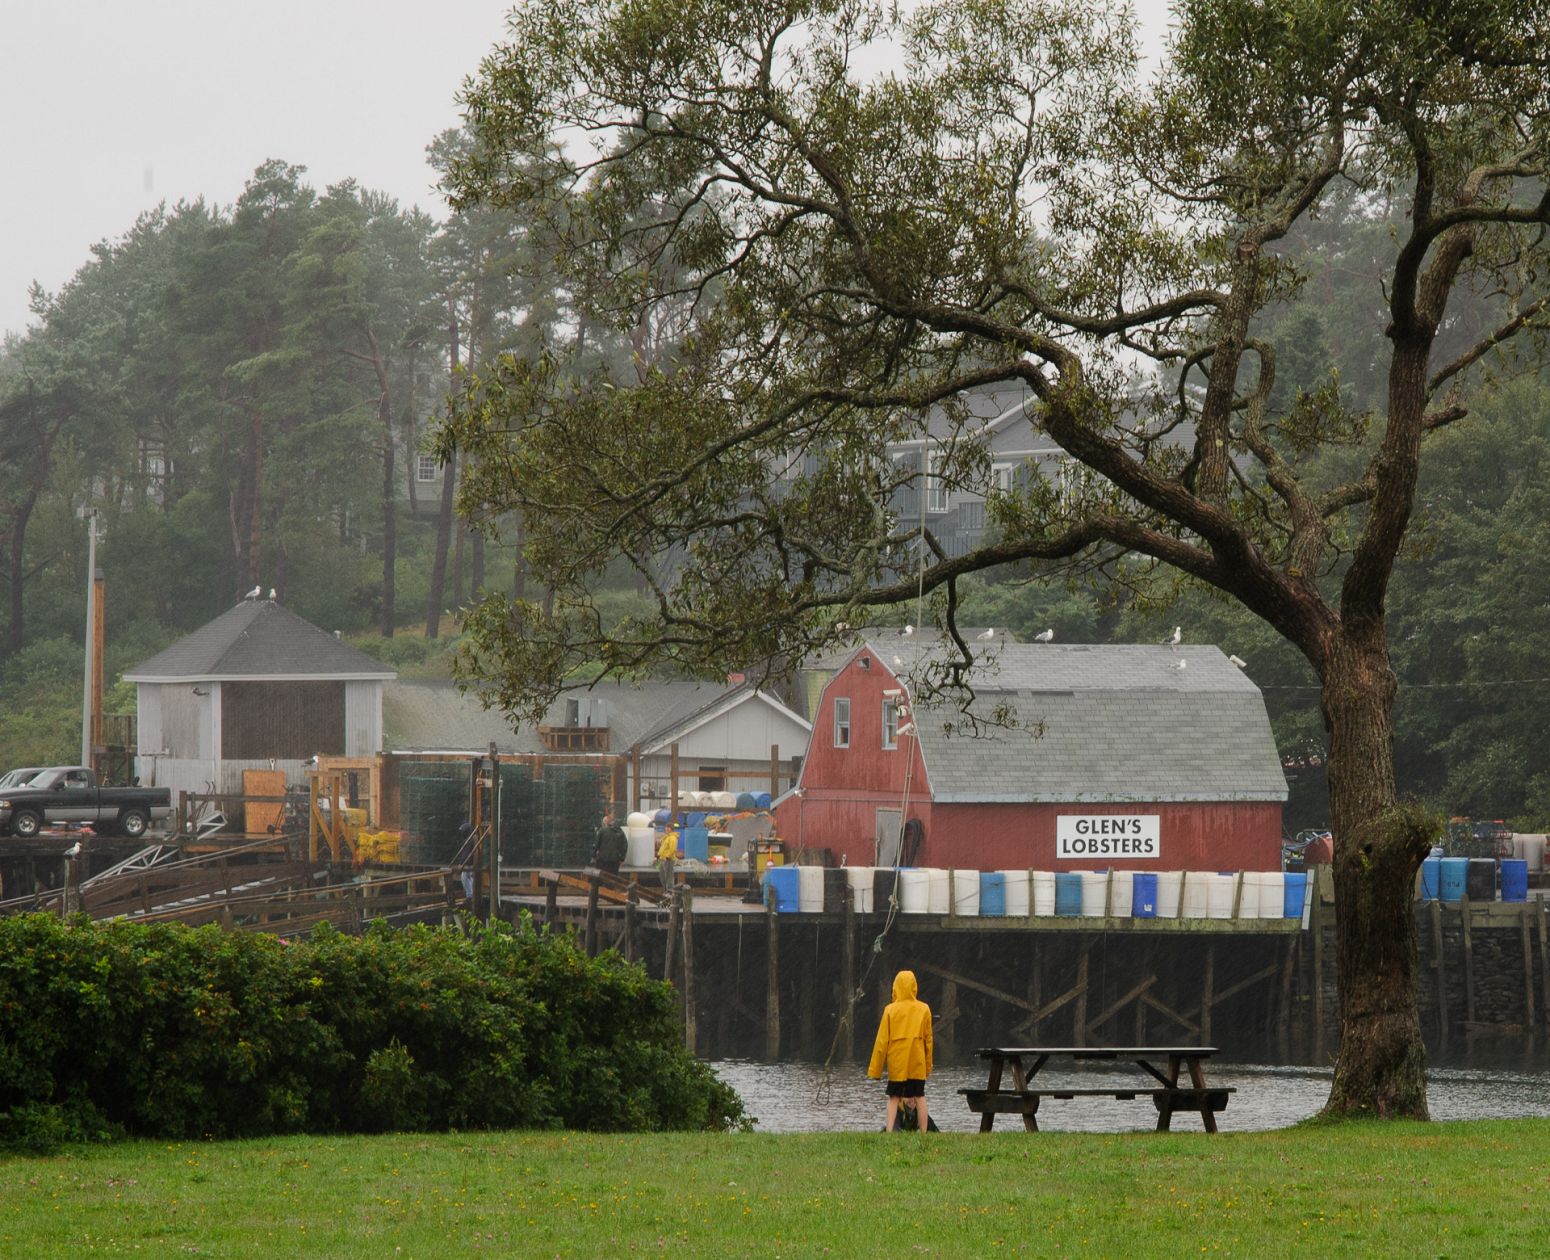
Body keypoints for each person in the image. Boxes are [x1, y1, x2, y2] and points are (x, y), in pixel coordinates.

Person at [867, 969, 933, 1132]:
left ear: (895, 987)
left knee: (894, 1098)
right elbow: (928, 1041)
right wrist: (928, 1066)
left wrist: (876, 1070)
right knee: (920, 1096)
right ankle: (924, 1132)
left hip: (897, 1063)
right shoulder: (924, 1009)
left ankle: (890, 1131)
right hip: (916, 1062)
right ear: (914, 987)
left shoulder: (890, 1010)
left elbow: (881, 1042)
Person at [657, 825, 679, 891]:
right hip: (662, 859)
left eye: (668, 828)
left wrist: (668, 856)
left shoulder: (672, 838)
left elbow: (673, 849)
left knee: (669, 876)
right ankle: (665, 889)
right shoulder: (666, 837)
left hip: (668, 859)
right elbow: (662, 846)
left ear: (671, 829)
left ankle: (670, 891)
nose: (666, 829)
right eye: (666, 827)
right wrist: (658, 855)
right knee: (662, 876)